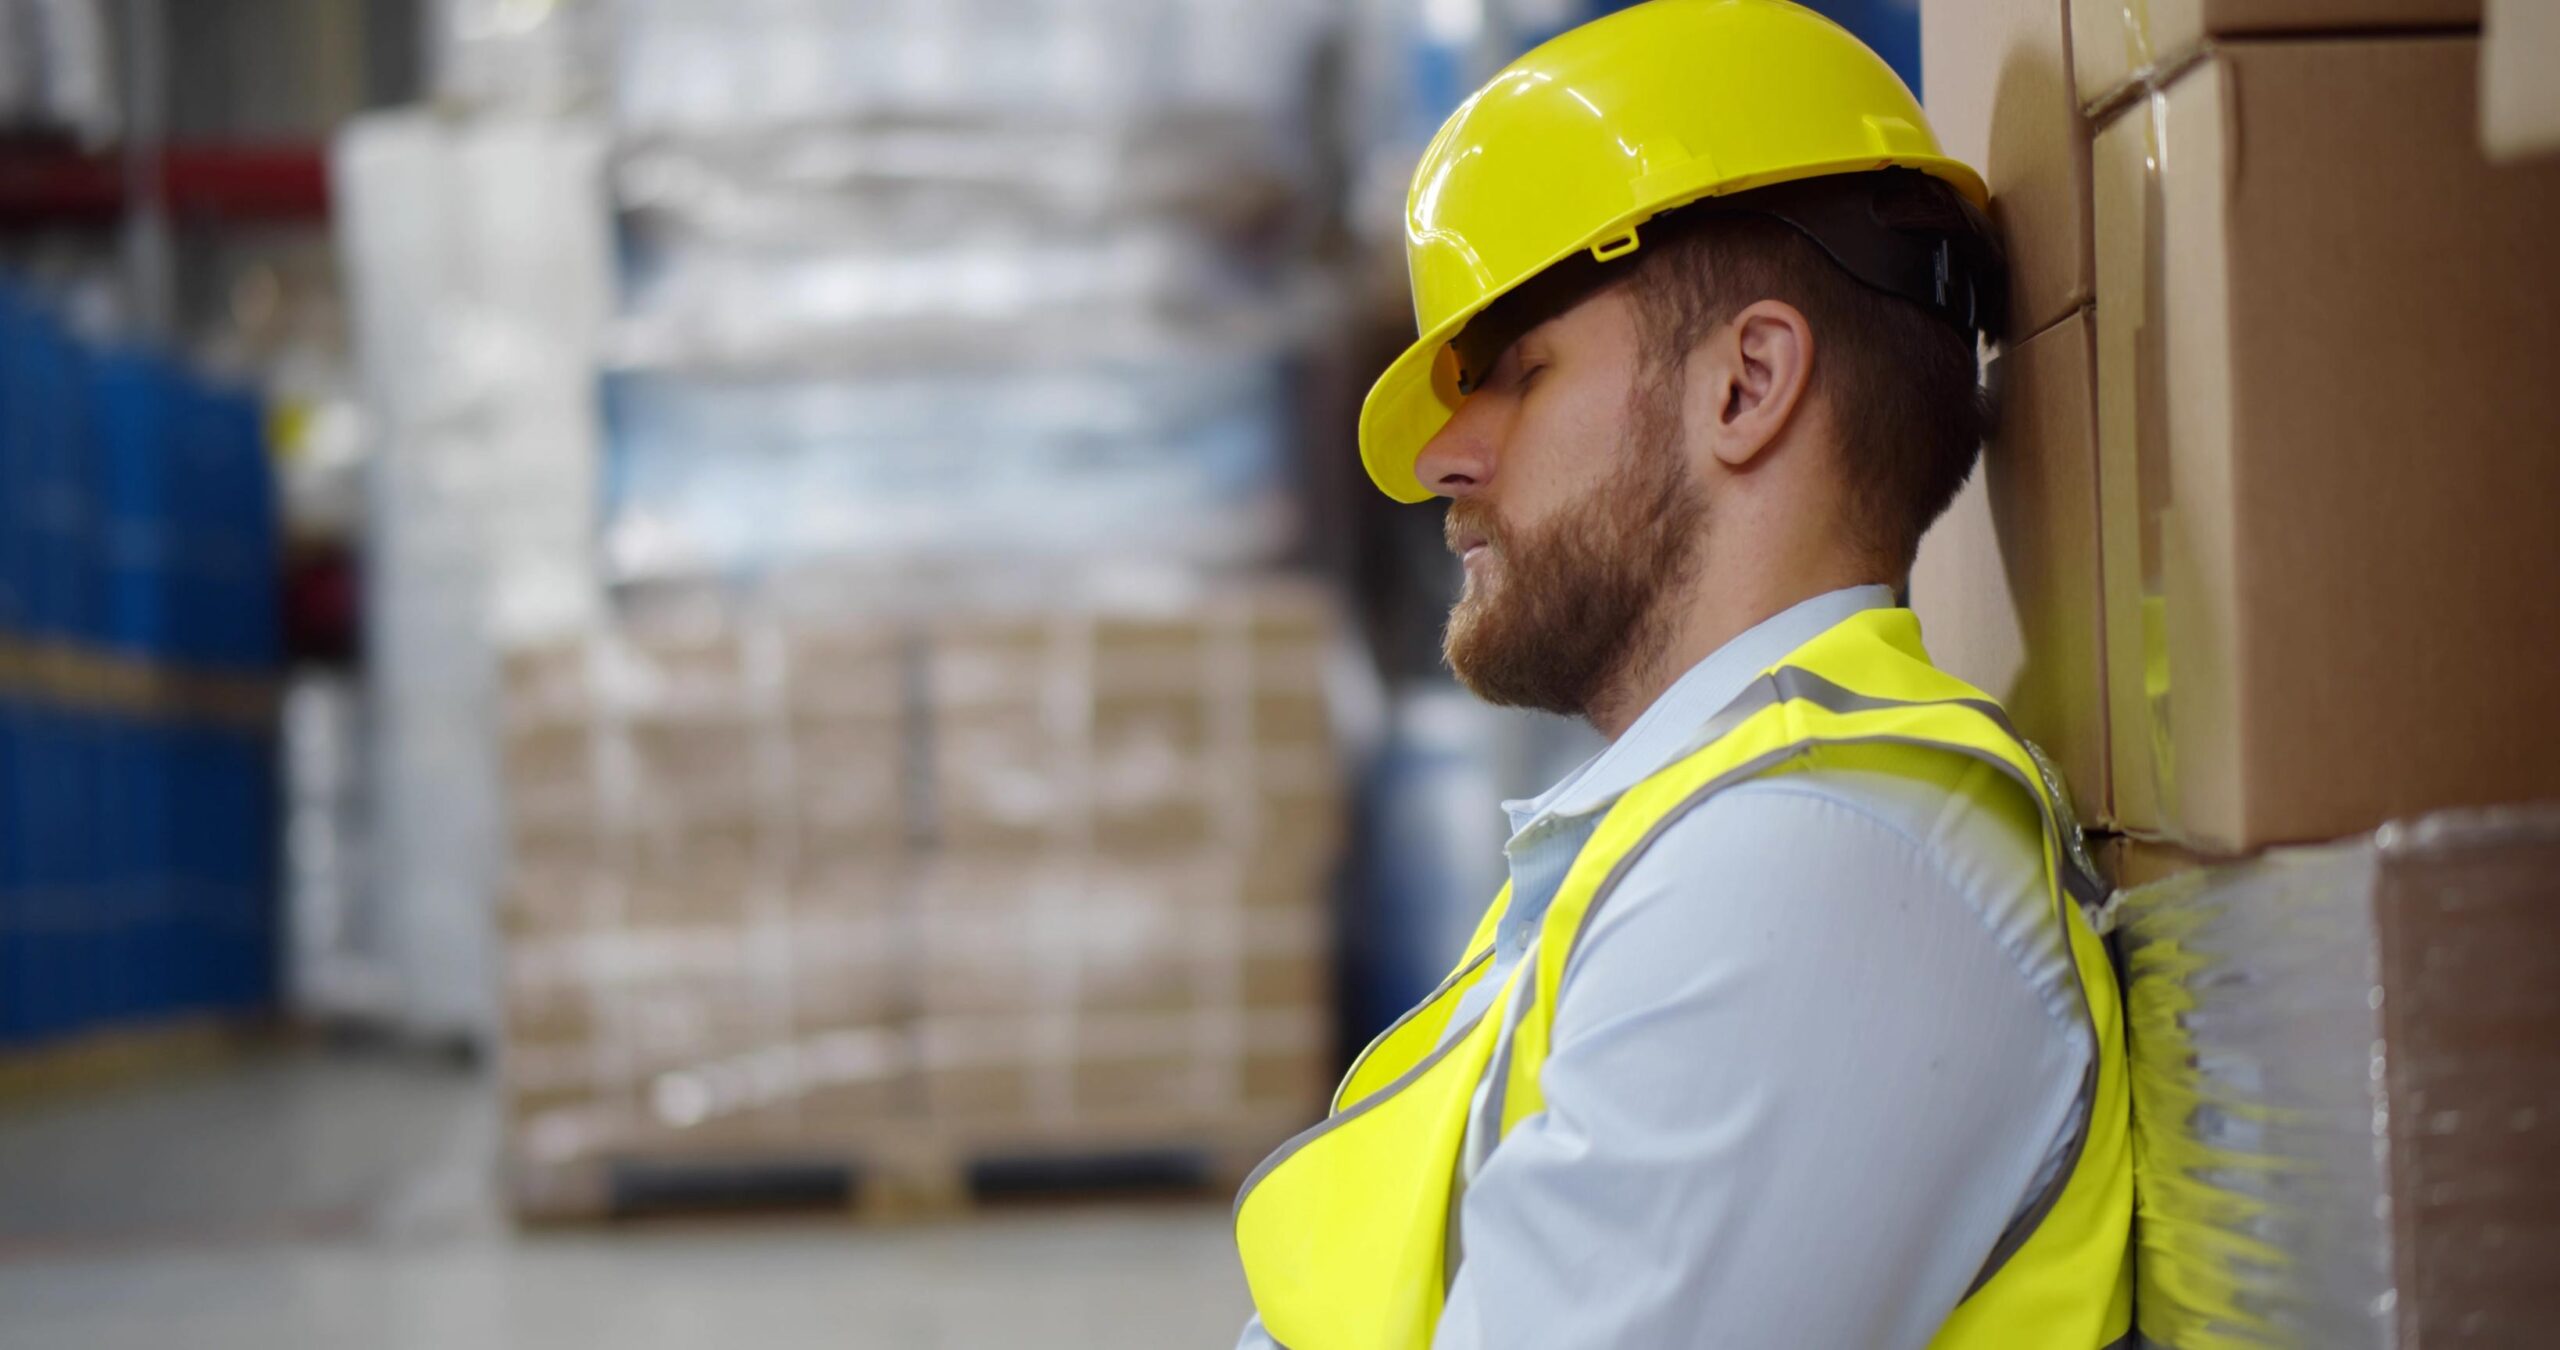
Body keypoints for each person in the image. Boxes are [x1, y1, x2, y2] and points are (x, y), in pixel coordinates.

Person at [1229, 2, 2134, 1347]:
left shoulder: (1815, 869)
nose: (1442, 457)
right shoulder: (1702, 831)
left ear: (1747, 383)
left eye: (1518, 371)